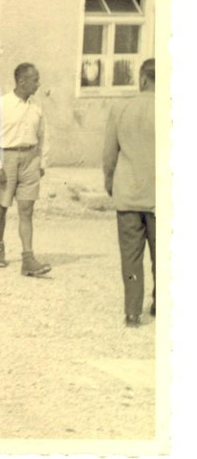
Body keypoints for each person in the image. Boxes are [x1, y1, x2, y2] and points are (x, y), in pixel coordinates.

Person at [0, 62, 51, 277]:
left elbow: (43, 136)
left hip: (30, 159)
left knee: (27, 210)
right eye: (35, 80)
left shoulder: (37, 106)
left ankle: (28, 259)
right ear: (22, 81)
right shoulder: (1, 105)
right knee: (2, 206)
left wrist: (42, 162)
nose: (38, 84)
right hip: (6, 158)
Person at [102, 58, 156, 327]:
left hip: (129, 194)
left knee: (131, 256)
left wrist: (109, 180)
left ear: (143, 79)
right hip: (162, 196)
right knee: (165, 254)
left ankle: (133, 311)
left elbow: (109, 153)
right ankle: (161, 303)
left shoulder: (121, 107)